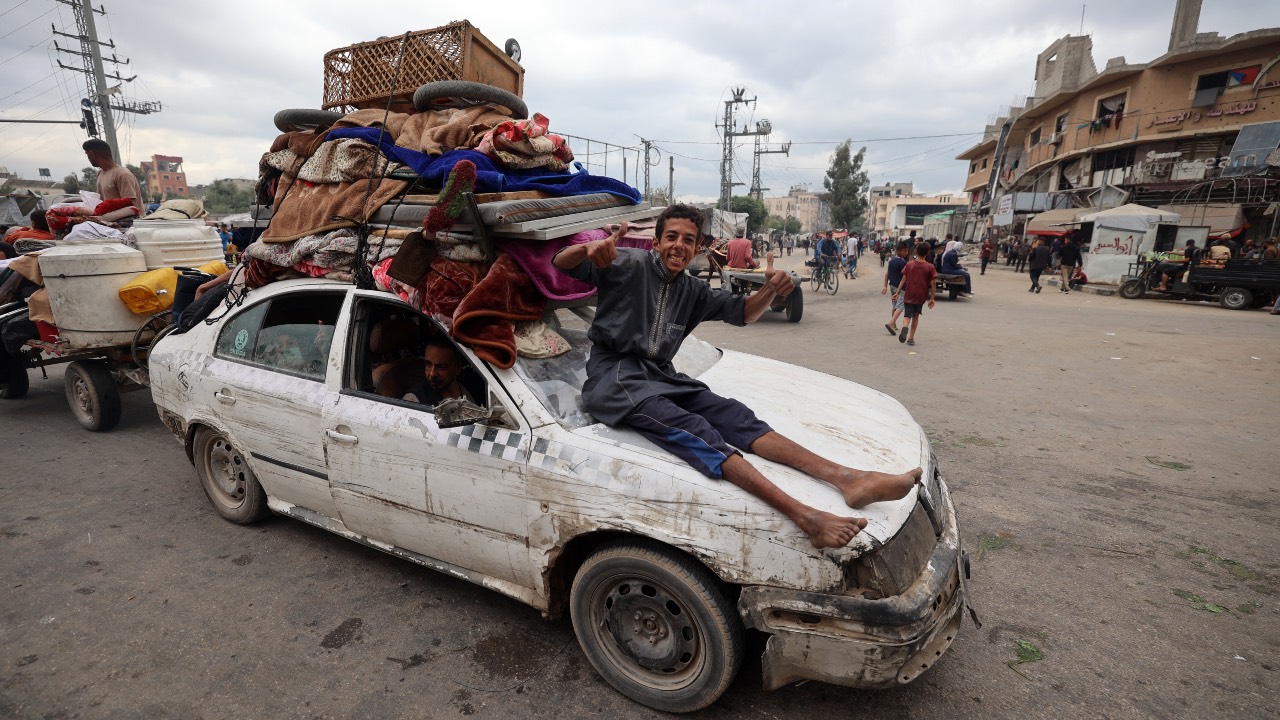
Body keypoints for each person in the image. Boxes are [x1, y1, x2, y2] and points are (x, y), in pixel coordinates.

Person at [552, 204, 921, 549]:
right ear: (656, 241)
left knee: (735, 415)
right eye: (672, 237)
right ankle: (806, 517)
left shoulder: (692, 289)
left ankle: (848, 479)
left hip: (662, 376)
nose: (679, 246)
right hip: (616, 379)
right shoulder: (625, 263)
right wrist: (586, 251)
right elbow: (560, 264)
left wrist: (770, 290)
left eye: (689, 240)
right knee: (698, 432)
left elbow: (743, 312)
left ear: (698, 247)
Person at [403, 336, 481, 406]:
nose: (432, 374)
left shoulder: (473, 386)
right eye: (428, 365)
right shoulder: (414, 400)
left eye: (441, 367)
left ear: (458, 368)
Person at [82, 139, 143, 213]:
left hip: (131, 222)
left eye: (87, 154)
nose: (88, 158)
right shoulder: (100, 173)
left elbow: (130, 203)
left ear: (92, 154)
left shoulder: (122, 174)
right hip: (109, 222)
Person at [898, 242, 937, 347]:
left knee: (907, 315)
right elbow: (933, 284)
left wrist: (897, 293)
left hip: (909, 293)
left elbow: (903, 279)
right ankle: (911, 338)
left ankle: (905, 326)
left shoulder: (909, 264)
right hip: (921, 295)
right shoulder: (930, 267)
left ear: (916, 251)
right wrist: (932, 298)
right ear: (928, 252)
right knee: (916, 316)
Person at [882, 241, 910, 336]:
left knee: (894, 305)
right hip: (900, 288)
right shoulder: (903, 263)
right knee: (900, 306)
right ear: (898, 251)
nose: (906, 253)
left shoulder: (891, 261)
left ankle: (893, 324)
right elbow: (904, 278)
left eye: (907, 251)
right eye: (904, 251)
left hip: (892, 286)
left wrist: (885, 286)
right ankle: (891, 322)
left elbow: (887, 274)